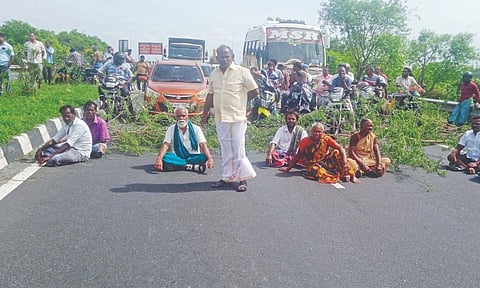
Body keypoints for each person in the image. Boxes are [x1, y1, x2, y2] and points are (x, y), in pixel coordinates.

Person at [200, 44, 259, 192]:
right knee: (226, 149)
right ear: (217, 58)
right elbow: (210, 95)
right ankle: (227, 177)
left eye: (227, 56)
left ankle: (242, 179)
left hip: (238, 116)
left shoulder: (242, 72)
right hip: (221, 117)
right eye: (221, 56)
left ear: (232, 56)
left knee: (238, 148)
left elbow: (254, 91)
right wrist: (205, 114)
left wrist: (243, 103)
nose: (224, 59)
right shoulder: (214, 73)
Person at [279, 122, 358, 183]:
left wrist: (344, 163)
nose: (317, 133)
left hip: (325, 161)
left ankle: (350, 174)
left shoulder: (326, 139)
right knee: (319, 172)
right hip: (312, 164)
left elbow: (340, 148)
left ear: (322, 132)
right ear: (311, 132)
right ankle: (339, 175)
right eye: (315, 131)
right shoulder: (305, 141)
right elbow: (299, 155)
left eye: (319, 132)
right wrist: (288, 168)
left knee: (336, 152)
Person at [155, 107, 214, 172]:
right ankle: (192, 167)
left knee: (205, 157)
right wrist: (159, 159)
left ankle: (179, 166)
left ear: (187, 116)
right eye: (178, 116)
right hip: (178, 157)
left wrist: (210, 158)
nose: (181, 118)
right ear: (175, 118)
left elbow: (202, 144)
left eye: (183, 116)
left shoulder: (196, 128)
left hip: (193, 157)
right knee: (165, 157)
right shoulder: (171, 129)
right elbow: (166, 145)